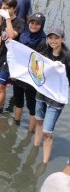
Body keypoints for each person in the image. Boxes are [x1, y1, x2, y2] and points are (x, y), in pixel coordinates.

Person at [34, 27, 70, 163]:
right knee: (38, 121)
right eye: (50, 37)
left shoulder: (67, 56)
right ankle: (35, 148)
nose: (53, 41)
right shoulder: (44, 51)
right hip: (42, 92)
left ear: (62, 39)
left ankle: (44, 162)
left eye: (57, 38)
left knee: (47, 132)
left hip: (56, 98)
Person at [0, 0, 25, 114]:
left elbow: (12, 35)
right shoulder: (3, 22)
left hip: (11, 59)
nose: (4, 10)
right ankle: (0, 108)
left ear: (14, 9)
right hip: (1, 57)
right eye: (3, 8)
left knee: (0, 87)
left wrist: (8, 18)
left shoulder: (20, 22)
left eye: (7, 8)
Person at [13, 12, 47, 130]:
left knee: (32, 106)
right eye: (32, 23)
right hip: (19, 75)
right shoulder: (23, 35)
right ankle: (16, 124)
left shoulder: (43, 41)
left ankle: (31, 132)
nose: (33, 26)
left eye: (37, 24)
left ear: (41, 25)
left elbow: (38, 62)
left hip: (32, 78)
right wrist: (14, 72)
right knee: (18, 100)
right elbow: (17, 54)